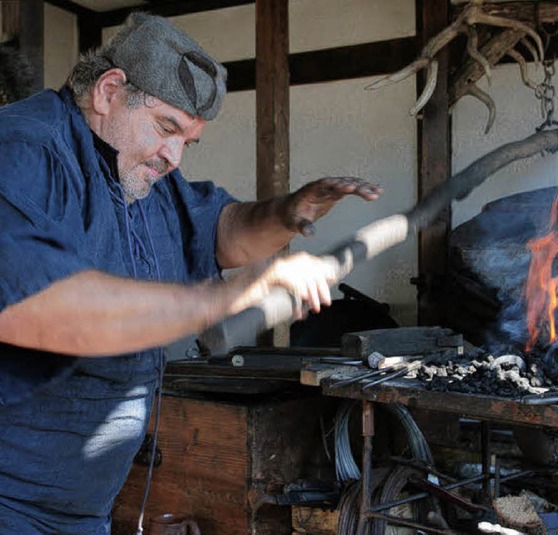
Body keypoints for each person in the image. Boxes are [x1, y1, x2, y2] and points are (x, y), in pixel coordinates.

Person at [0, 12, 381, 534]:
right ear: (110, 91)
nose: (174, 157)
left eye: (189, 141)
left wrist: (287, 213)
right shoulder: (22, 150)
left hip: (81, 510)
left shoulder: (138, 172)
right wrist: (230, 296)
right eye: (166, 128)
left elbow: (218, 229)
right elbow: (46, 308)